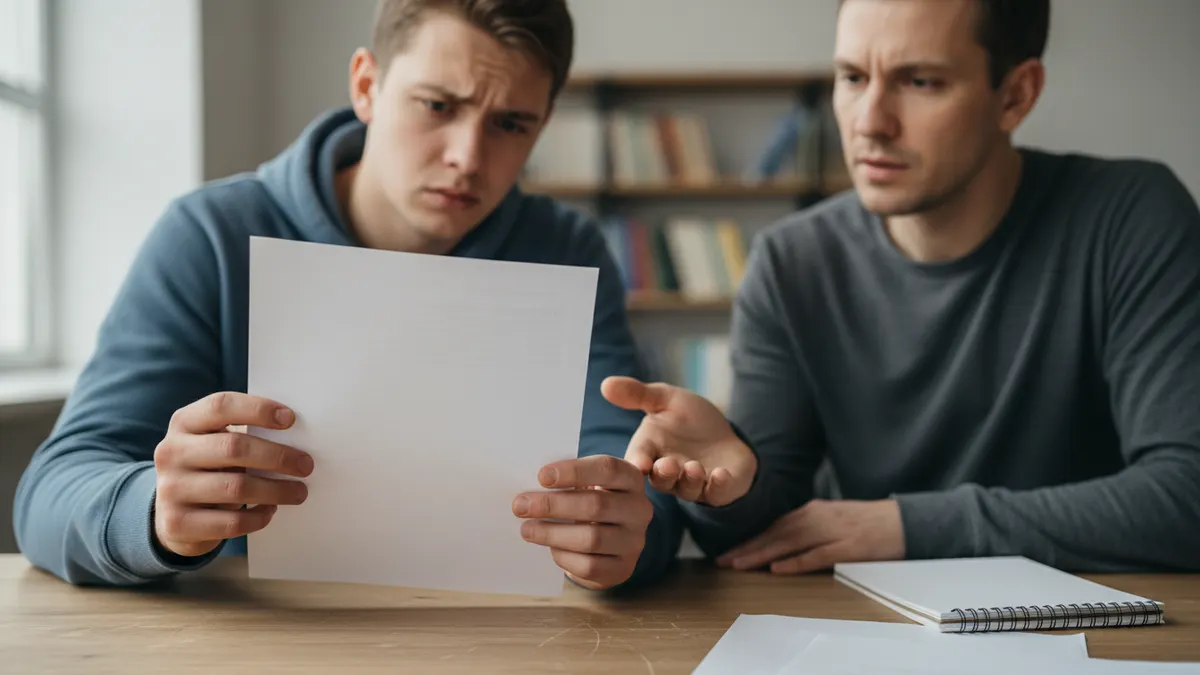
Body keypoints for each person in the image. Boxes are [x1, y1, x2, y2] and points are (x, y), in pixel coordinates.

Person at [13, 0, 684, 591]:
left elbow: (634, 484)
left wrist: (624, 538)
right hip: (265, 633)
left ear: (543, 125)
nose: (468, 157)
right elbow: (50, 493)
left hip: (504, 634)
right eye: (438, 106)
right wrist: (155, 512)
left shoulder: (568, 250)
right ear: (367, 85)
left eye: (510, 124)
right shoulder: (210, 235)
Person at [602, 0, 1200, 575]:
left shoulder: (1132, 219)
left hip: (1101, 629)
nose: (870, 122)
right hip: (868, 627)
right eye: (853, 76)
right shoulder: (791, 262)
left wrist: (909, 526)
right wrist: (731, 484)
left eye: (920, 82)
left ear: (1015, 95)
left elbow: (1187, 494)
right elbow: (767, 536)